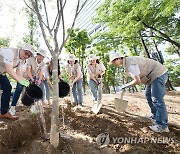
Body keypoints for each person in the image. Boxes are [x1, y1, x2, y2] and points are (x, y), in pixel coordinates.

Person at [109, 51, 169, 133]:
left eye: (113, 61)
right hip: (151, 77)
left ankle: (162, 126)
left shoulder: (130, 64)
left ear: (119, 58)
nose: (113, 63)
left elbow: (137, 80)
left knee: (157, 99)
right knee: (148, 95)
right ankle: (155, 116)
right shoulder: (127, 63)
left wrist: (124, 86)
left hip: (158, 74)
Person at [0, 44, 35, 120]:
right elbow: (10, 71)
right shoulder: (10, 52)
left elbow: (18, 74)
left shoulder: (21, 61)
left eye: (29, 56)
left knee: (8, 88)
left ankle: (3, 112)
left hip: (1, 73)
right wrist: (21, 82)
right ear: (21, 49)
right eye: (26, 53)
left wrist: (26, 83)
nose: (26, 56)